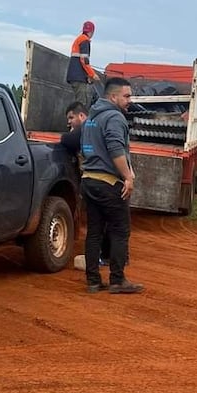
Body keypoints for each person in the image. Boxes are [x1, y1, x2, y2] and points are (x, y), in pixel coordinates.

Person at [80, 77, 143, 294]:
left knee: (94, 232)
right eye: (126, 96)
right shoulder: (115, 117)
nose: (129, 100)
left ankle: (93, 281)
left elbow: (88, 149)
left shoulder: (91, 118)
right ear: (113, 96)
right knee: (119, 230)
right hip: (108, 183)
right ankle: (117, 280)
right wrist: (128, 177)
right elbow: (116, 149)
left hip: (89, 180)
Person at [59, 101, 111, 268]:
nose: (69, 122)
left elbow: (67, 140)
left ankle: (101, 258)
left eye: (71, 117)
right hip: (109, 180)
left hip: (98, 180)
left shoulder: (87, 127)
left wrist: (67, 135)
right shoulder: (101, 125)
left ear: (82, 116)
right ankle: (111, 256)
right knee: (109, 220)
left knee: (98, 222)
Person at [66, 21, 97, 107]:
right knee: (81, 104)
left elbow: (79, 61)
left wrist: (87, 77)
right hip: (78, 78)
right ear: (92, 31)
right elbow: (84, 60)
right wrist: (92, 74)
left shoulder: (79, 39)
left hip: (75, 76)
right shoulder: (85, 40)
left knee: (80, 102)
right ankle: (79, 120)